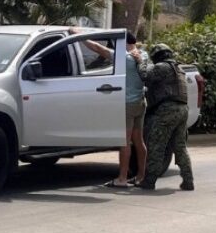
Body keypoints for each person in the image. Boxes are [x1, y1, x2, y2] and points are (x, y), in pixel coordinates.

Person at [70, 28, 148, 189]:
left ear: (122, 43)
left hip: (127, 104)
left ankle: (122, 178)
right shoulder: (143, 56)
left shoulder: (122, 57)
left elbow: (98, 48)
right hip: (140, 102)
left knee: (124, 142)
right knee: (138, 141)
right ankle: (141, 176)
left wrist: (78, 35)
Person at [138, 43, 194, 191]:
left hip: (167, 110)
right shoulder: (178, 68)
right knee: (180, 147)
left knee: (156, 146)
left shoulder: (162, 67)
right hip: (182, 109)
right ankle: (188, 180)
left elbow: (144, 75)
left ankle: (149, 182)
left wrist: (141, 60)